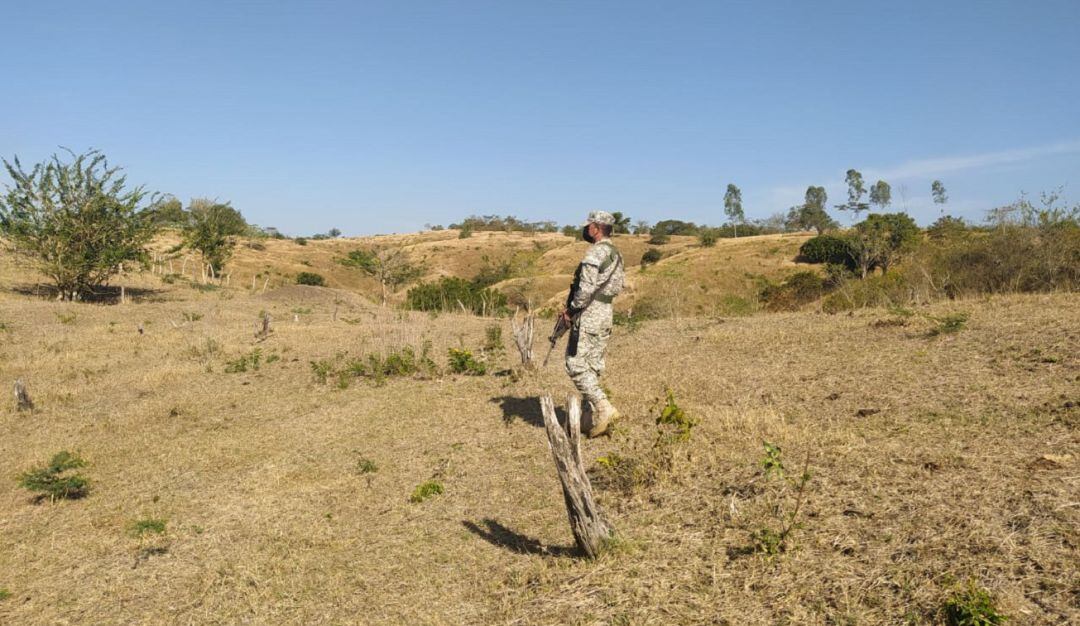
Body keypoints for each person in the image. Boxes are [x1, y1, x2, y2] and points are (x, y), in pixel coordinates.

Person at [560, 211, 625, 437]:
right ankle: (587, 418)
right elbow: (619, 285)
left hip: (589, 314)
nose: (586, 229)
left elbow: (585, 289)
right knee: (593, 365)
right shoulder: (616, 254)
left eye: (589, 226)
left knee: (575, 363)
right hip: (606, 313)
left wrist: (571, 310)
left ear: (596, 228)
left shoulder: (595, 252)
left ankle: (604, 408)